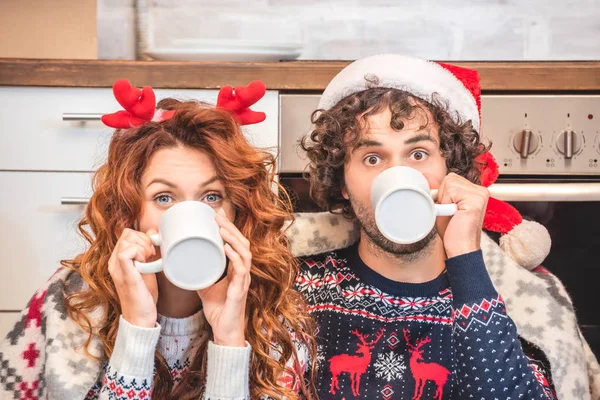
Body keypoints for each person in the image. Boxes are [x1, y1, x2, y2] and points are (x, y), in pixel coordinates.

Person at [295, 54, 600, 399]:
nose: (399, 176)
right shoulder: (295, 290)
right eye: (373, 158)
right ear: (343, 183)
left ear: (450, 169)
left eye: (419, 154)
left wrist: (465, 257)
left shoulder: (523, 303)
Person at [0, 80, 315, 399]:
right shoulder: (67, 301)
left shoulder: (273, 316)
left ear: (238, 210)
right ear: (130, 211)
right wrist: (136, 326)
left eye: (211, 196)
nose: (189, 213)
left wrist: (229, 338)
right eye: (164, 197)